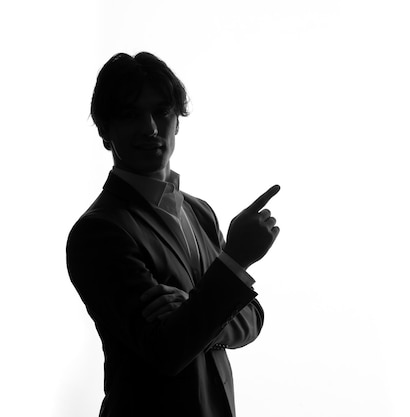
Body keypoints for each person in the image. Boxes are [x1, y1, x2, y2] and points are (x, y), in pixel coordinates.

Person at [66, 51, 280, 417]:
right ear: (105, 131)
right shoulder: (98, 231)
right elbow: (167, 351)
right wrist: (236, 260)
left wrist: (194, 312)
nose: (150, 128)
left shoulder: (199, 212)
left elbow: (254, 319)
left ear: (177, 121)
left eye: (162, 111)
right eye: (131, 114)